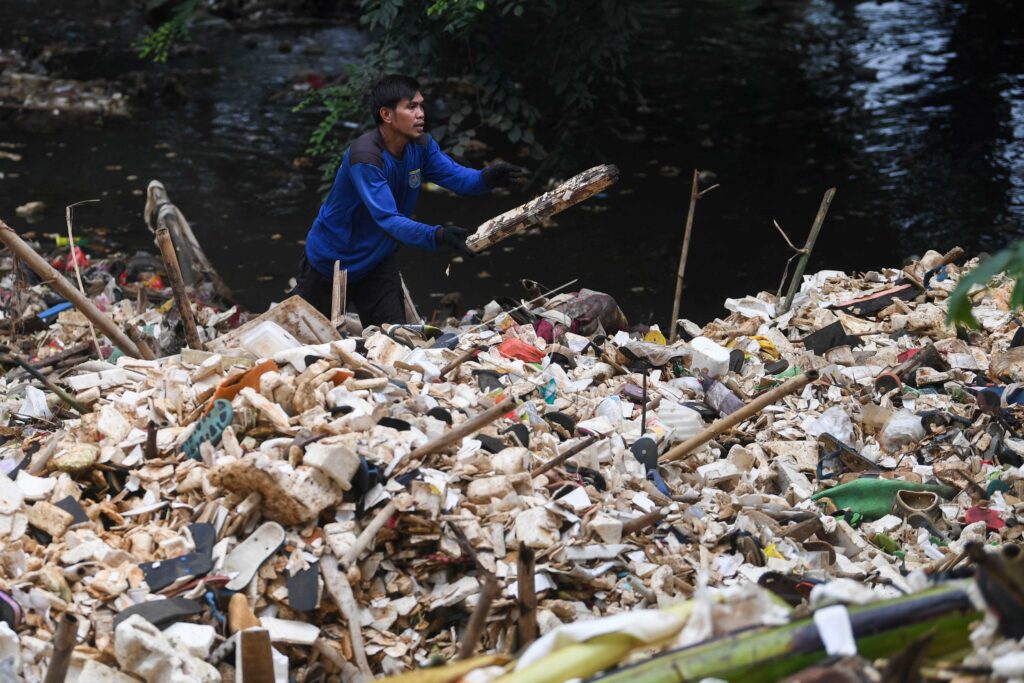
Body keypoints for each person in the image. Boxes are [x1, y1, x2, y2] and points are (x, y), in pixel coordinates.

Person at [289, 74, 526, 327]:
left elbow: (459, 179)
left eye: (421, 105)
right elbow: (388, 219)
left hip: (377, 261)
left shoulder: (421, 146)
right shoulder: (366, 157)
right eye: (411, 107)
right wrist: (439, 235)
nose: (421, 113)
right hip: (332, 263)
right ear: (387, 115)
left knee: (396, 340)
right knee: (303, 340)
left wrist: (486, 178)